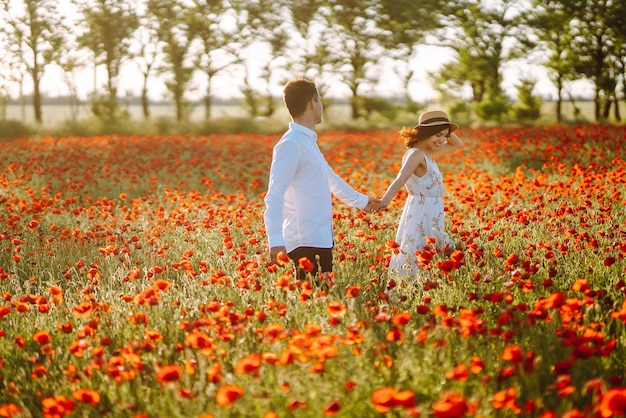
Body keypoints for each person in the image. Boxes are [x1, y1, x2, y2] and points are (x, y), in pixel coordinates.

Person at [264, 78, 382, 281]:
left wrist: (363, 202)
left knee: (321, 299)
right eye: (320, 100)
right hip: (305, 241)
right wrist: (275, 239)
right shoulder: (291, 144)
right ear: (312, 102)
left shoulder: (306, 141)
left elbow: (331, 180)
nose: (321, 106)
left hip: (320, 238)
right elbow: (274, 194)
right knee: (310, 301)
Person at [379, 110, 463, 277]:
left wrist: (445, 130)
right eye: (437, 135)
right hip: (422, 210)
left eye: (445, 136)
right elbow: (400, 178)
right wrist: (384, 201)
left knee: (428, 249)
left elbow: (457, 144)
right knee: (421, 248)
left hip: (432, 208)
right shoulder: (417, 154)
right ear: (425, 133)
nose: (443, 140)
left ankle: (422, 285)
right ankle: (414, 287)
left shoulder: (427, 153)